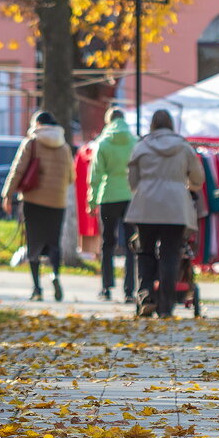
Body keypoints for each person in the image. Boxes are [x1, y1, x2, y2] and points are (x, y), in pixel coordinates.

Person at [125, 109, 205, 319]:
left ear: (152, 125)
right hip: (175, 207)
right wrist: (187, 186)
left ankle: (147, 295)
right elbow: (197, 178)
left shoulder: (141, 146)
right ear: (171, 125)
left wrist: (143, 189)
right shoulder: (183, 147)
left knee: (145, 252)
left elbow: (132, 180)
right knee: (170, 254)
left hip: (146, 205)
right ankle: (166, 305)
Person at [1, 110, 74, 301]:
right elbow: (71, 176)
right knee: (53, 242)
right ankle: (55, 275)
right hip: (57, 201)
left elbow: (17, 170)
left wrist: (7, 194)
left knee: (34, 242)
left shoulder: (32, 142)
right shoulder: (64, 146)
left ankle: (37, 289)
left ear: (38, 124)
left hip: (33, 200)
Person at [88, 109, 137, 302]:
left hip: (108, 197)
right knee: (131, 244)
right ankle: (129, 290)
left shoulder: (103, 142)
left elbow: (96, 174)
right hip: (130, 197)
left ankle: (106, 287)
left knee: (108, 243)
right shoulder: (135, 141)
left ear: (108, 121)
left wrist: (92, 200)